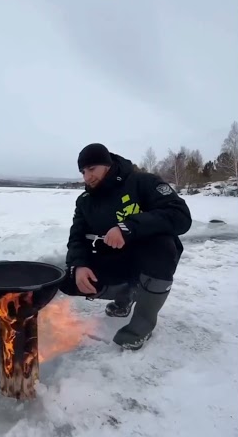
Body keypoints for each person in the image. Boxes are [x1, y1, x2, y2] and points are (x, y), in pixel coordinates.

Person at [60, 143, 192, 350]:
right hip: (113, 259)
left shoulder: (143, 182)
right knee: (68, 279)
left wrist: (129, 227)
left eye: (92, 169)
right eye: (83, 171)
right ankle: (126, 295)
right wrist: (78, 265)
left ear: (107, 164)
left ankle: (142, 326)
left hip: (148, 259)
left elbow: (181, 216)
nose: (87, 177)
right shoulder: (85, 201)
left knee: (163, 245)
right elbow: (76, 236)